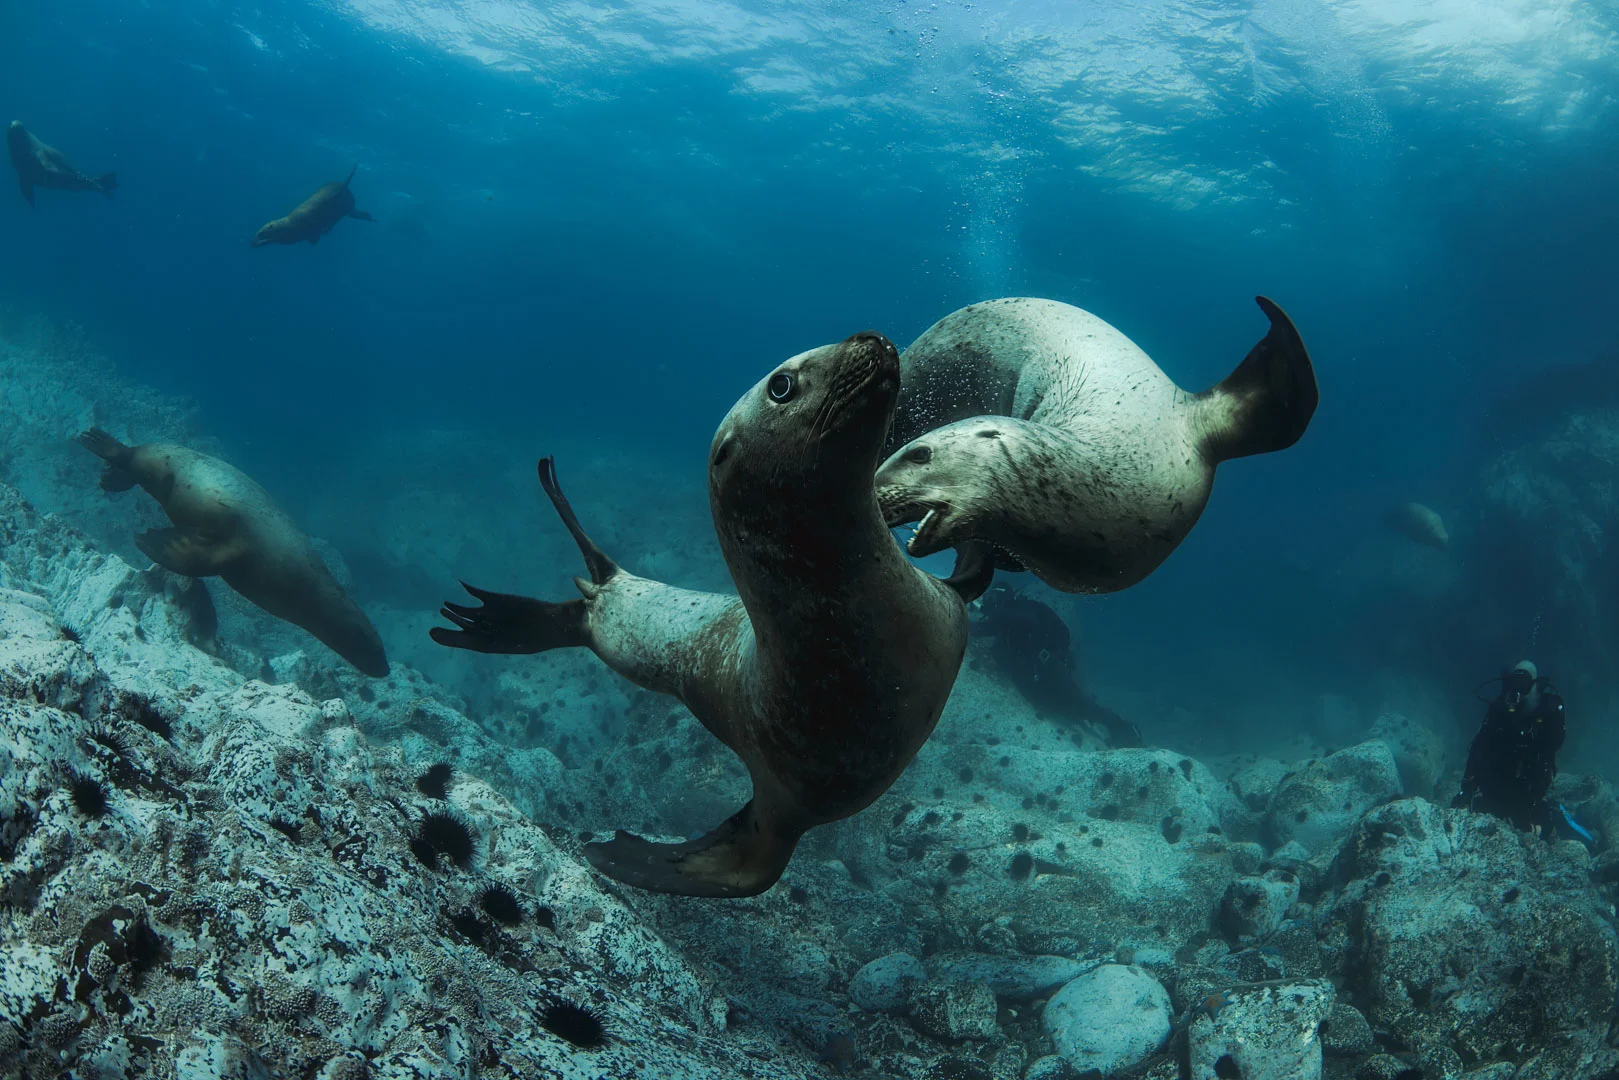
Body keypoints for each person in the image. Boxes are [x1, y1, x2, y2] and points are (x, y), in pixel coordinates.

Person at [973, 584, 1142, 747]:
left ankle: (1125, 730)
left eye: (993, 598)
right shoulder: (1005, 620)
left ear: (1004, 598)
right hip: (1037, 671)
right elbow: (981, 630)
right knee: (1060, 708)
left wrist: (990, 611)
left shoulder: (1022, 609)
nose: (989, 602)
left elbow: (1028, 621)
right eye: (988, 598)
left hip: (1050, 668)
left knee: (1080, 706)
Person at [1452, 660, 1566, 834]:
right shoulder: (1499, 708)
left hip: (1529, 781)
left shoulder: (1547, 710)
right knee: (1487, 813)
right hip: (1500, 777)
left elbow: (1555, 743)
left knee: (1527, 826)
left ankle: (1550, 815)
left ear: (1535, 684)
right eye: (1515, 682)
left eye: (1524, 682)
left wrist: (1545, 717)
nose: (1519, 689)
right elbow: (1479, 746)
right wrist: (1467, 787)